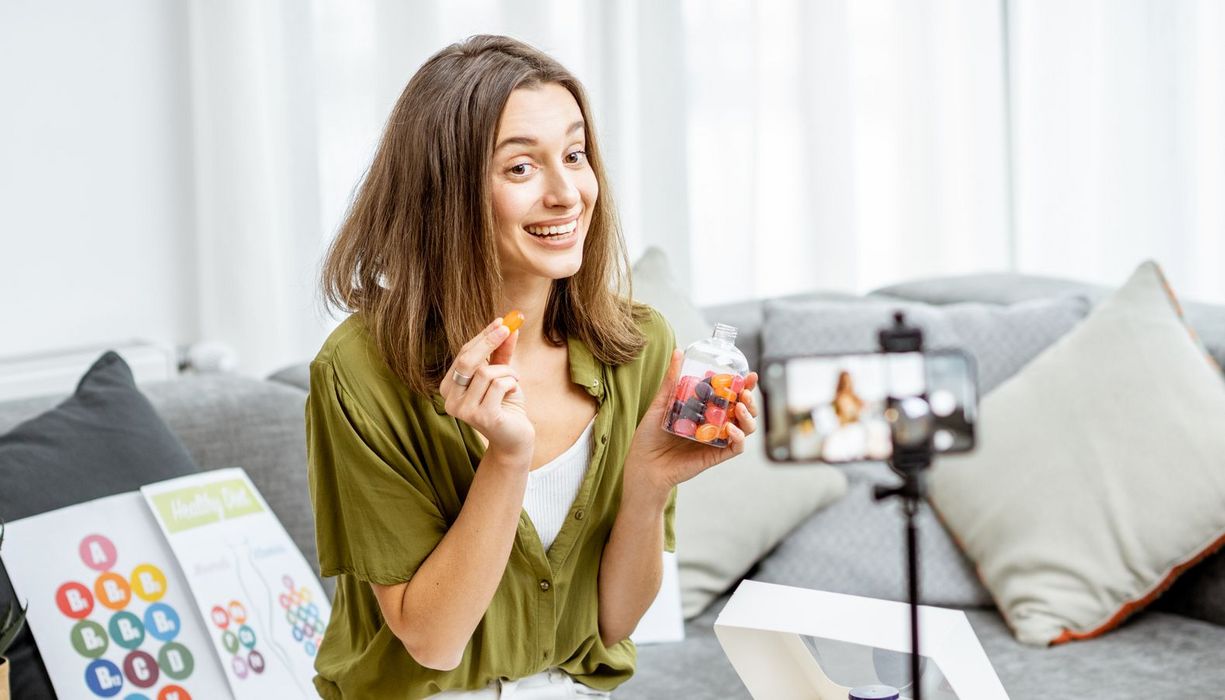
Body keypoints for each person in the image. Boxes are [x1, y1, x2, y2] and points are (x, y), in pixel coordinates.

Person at [306, 35, 759, 699]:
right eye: (520, 168)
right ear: (445, 193)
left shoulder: (637, 348)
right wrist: (506, 459)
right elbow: (431, 639)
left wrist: (647, 486)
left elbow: (613, 623)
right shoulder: (361, 370)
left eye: (574, 155)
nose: (567, 193)